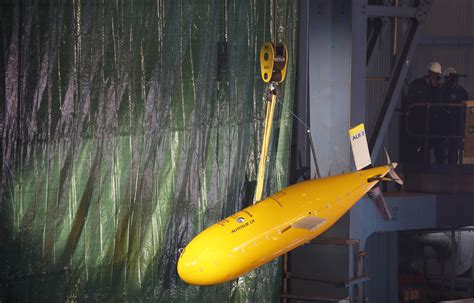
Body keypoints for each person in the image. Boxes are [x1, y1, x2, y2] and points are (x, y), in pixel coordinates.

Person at [401, 62, 443, 163]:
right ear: (429, 72)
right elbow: (410, 100)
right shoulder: (417, 84)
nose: (434, 76)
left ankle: (426, 167)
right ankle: (416, 167)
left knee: (429, 146)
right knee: (416, 146)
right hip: (417, 121)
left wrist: (436, 89)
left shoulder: (437, 88)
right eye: (433, 73)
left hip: (431, 123)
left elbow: (439, 104)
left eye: (436, 75)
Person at [441, 67, 469, 164]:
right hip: (445, 123)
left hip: (456, 123)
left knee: (454, 147)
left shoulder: (460, 91)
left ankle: (451, 165)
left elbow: (466, 106)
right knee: (443, 146)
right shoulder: (442, 90)